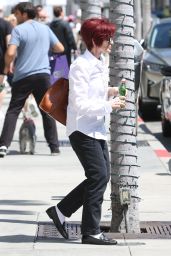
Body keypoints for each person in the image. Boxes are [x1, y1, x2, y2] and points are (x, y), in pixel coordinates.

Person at [46, 18, 126, 245]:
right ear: (94, 39)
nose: (111, 42)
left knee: (100, 177)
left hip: (96, 128)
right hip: (82, 129)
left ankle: (60, 211)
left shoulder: (99, 62)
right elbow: (79, 103)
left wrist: (110, 92)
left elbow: (94, 94)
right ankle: (90, 231)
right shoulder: (81, 65)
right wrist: (109, 105)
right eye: (107, 38)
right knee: (99, 176)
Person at [0, 2, 64, 158]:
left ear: (23, 13)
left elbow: (10, 52)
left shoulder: (19, 30)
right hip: (42, 75)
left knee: (14, 110)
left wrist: (6, 67)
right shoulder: (45, 28)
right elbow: (60, 48)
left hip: (23, 76)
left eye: (16, 14)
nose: (15, 16)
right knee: (47, 110)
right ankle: (54, 147)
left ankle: (3, 145)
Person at [0, 16, 12, 119]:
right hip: (2, 60)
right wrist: (9, 63)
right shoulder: (6, 24)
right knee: (1, 86)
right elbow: (9, 44)